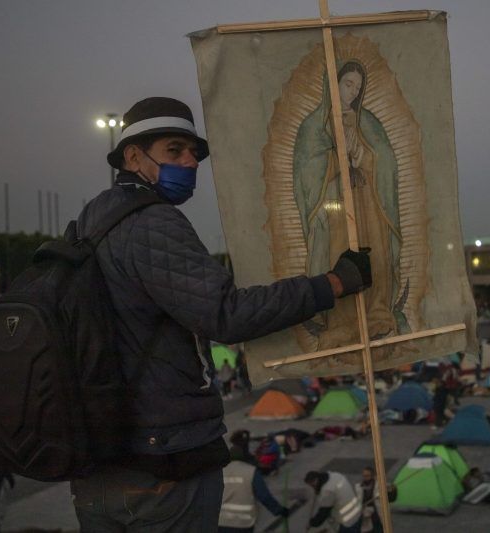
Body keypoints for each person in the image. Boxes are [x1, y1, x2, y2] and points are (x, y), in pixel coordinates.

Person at [69, 97, 373, 532]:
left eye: (194, 153)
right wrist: (333, 284)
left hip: (102, 463)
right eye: (174, 150)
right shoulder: (152, 222)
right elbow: (226, 314)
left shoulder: (91, 219)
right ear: (132, 155)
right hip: (163, 464)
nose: (190, 162)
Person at [294, 60, 401, 349]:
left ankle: (377, 312)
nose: (353, 91)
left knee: (374, 248)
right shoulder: (315, 124)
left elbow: (384, 159)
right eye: (347, 84)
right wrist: (337, 163)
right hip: (334, 201)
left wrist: (364, 159)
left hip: (367, 196)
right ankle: (342, 322)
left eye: (358, 86)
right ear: (335, 83)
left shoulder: (368, 122)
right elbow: (307, 167)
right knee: (340, 254)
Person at [220, 445, 289, 532]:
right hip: (243, 523)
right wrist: (279, 510)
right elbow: (264, 496)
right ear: (243, 456)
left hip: (221, 522)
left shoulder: (220, 472)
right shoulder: (251, 471)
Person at [354, 467, 397, 533]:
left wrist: (392, 490)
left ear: (372, 476)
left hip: (377, 516)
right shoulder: (358, 487)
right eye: (364, 476)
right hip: (365, 516)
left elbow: (391, 497)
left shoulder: (380, 486)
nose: (365, 478)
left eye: (367, 476)